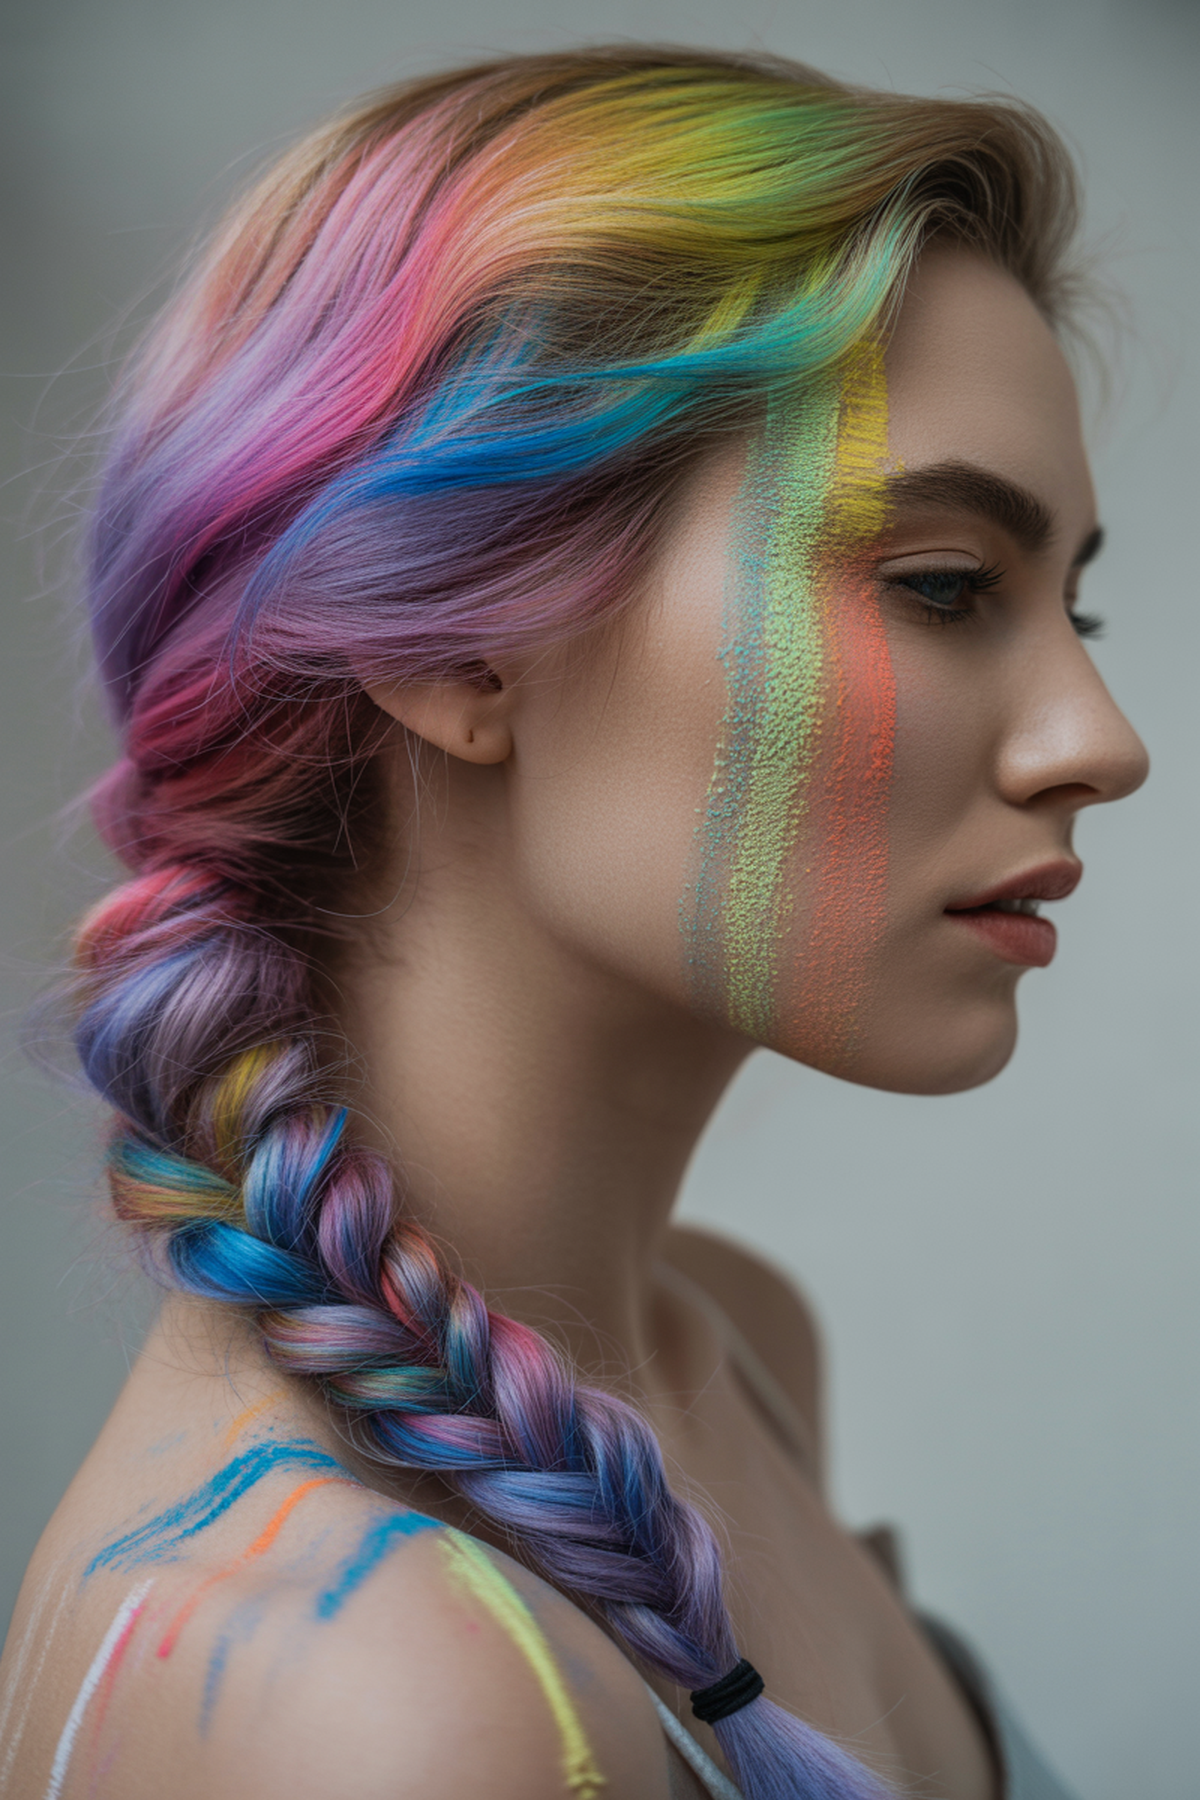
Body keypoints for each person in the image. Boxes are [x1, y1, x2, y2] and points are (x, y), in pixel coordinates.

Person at [0, 45, 1148, 1800]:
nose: (1098, 742)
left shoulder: (732, 1350)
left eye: (1075, 608)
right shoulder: (383, 1708)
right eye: (941, 588)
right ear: (447, 644)